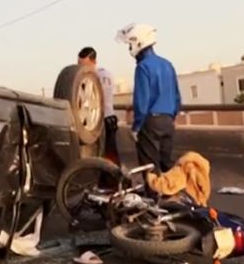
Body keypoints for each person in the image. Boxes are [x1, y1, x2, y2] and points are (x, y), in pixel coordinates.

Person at [114, 23, 181, 174]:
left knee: (149, 165)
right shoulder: (167, 64)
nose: (129, 48)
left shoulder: (143, 67)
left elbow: (141, 102)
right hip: (168, 120)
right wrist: (171, 117)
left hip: (151, 121)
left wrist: (137, 127)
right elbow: (177, 97)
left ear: (138, 41)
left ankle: (152, 195)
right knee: (167, 163)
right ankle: (172, 193)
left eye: (130, 44)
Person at [77, 47, 120, 167]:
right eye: (79, 64)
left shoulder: (103, 75)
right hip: (91, 122)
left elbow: (100, 98)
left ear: (93, 61)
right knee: (97, 155)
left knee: (110, 154)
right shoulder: (82, 77)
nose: (82, 68)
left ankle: (115, 181)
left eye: (85, 64)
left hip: (105, 119)